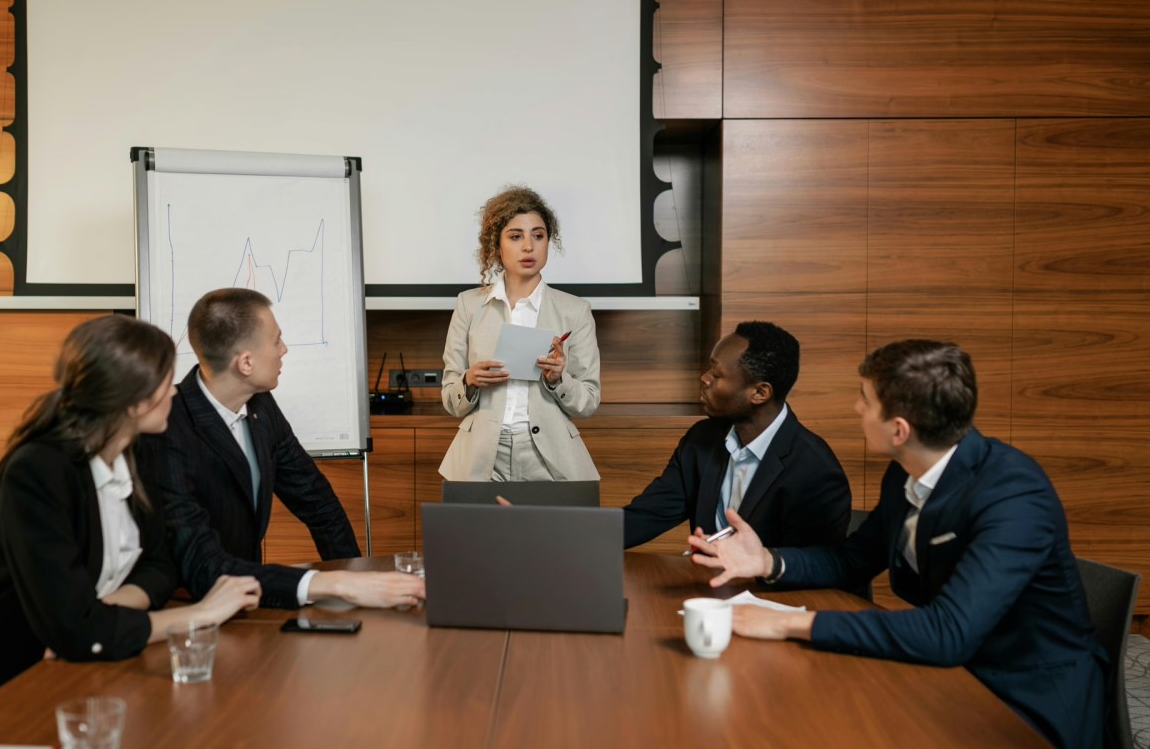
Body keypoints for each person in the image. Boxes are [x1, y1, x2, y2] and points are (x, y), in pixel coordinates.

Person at [690, 339, 1105, 749]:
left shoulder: (1014, 494)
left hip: (1026, 696)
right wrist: (766, 562)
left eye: (865, 401)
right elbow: (853, 560)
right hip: (953, 671)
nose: (857, 409)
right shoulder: (904, 473)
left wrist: (787, 624)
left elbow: (948, 631)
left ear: (900, 429)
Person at [0, 316, 261, 747]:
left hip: (71, 676)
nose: (174, 392)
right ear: (134, 400)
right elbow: (80, 632)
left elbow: (160, 565)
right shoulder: (37, 473)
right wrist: (199, 615)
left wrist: (103, 612)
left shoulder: (132, 455)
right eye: (165, 382)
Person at [135, 288, 423, 611]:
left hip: (247, 601)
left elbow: (317, 501)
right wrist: (336, 584)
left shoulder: (261, 406)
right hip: (187, 611)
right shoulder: (167, 428)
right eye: (276, 341)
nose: (283, 350)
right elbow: (203, 565)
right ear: (246, 362)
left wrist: (353, 577)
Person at [623, 321, 851, 550]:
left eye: (717, 373)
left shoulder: (816, 471)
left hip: (767, 586)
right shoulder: (701, 439)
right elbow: (646, 516)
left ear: (760, 393)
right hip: (707, 581)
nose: (704, 378)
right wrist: (589, 535)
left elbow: (812, 568)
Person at [439, 185, 600, 482]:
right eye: (516, 236)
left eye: (538, 236)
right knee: (482, 531)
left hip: (550, 455)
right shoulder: (469, 305)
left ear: (548, 242)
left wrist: (558, 379)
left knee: (548, 531)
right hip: (482, 454)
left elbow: (588, 402)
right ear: (496, 245)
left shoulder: (575, 310)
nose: (529, 246)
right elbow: (451, 399)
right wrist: (470, 381)